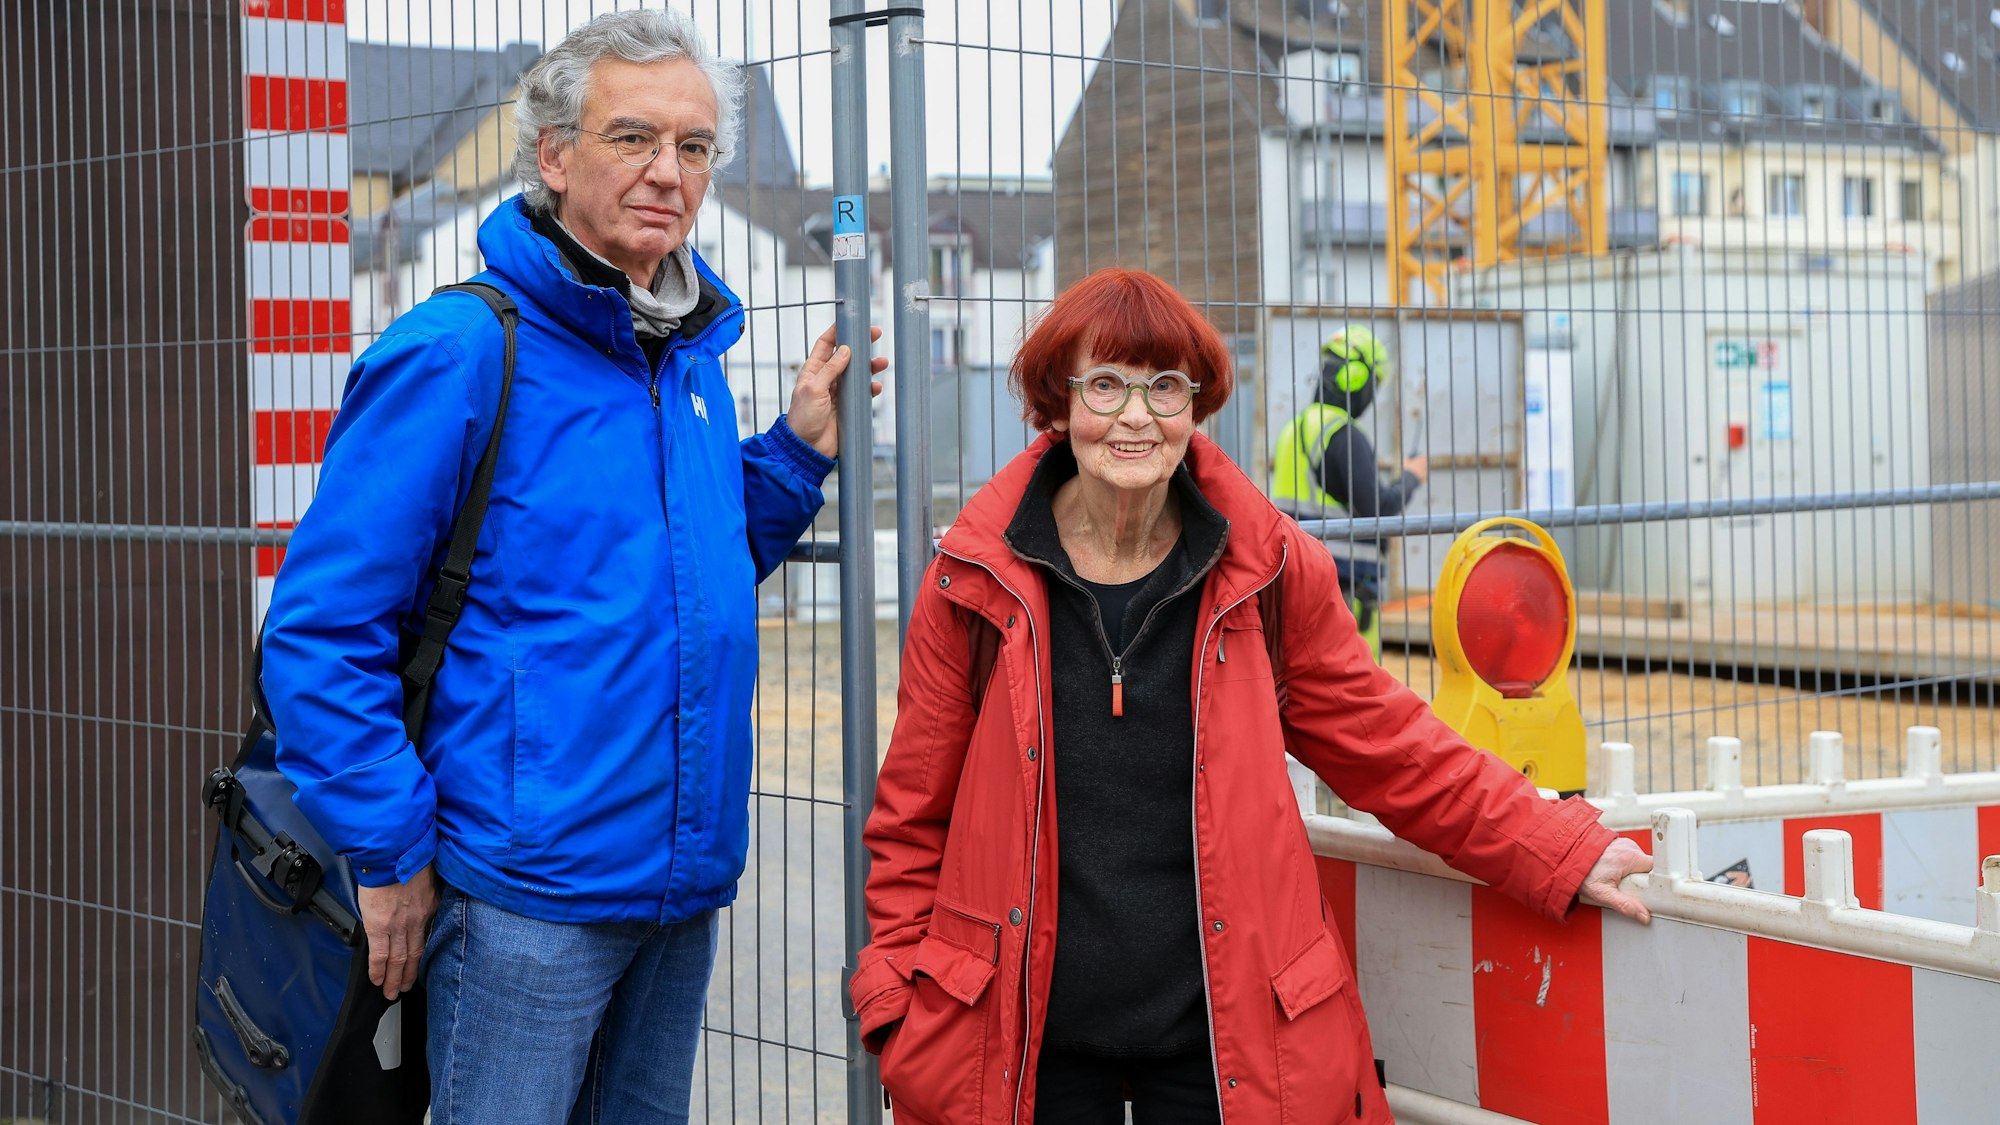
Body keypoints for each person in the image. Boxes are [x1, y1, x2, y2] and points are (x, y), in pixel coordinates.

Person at [257, 11, 883, 1123]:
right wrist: (390, 849)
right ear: (552, 156)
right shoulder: (457, 351)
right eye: (632, 137)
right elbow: (318, 631)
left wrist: (789, 454)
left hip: (676, 889)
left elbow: (685, 573)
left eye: (694, 148)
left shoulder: (685, 357)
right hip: (521, 904)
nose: (668, 172)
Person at [850, 270, 1650, 1124]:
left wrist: (1551, 844)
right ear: (1058, 404)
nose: (1135, 416)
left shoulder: (1263, 573)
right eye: (1106, 384)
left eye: (1164, 387)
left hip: (1222, 1041)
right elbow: (912, 817)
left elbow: (1390, 743)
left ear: (1197, 409)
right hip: (1024, 1045)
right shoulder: (973, 582)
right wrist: (899, 1000)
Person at [1270, 324, 1428, 658]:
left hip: (1298, 579)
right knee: (1357, 685)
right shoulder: (1341, 432)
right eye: (1375, 383)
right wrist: (1411, 477)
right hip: (1343, 587)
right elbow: (1381, 508)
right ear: (1355, 378)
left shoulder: (1296, 428)